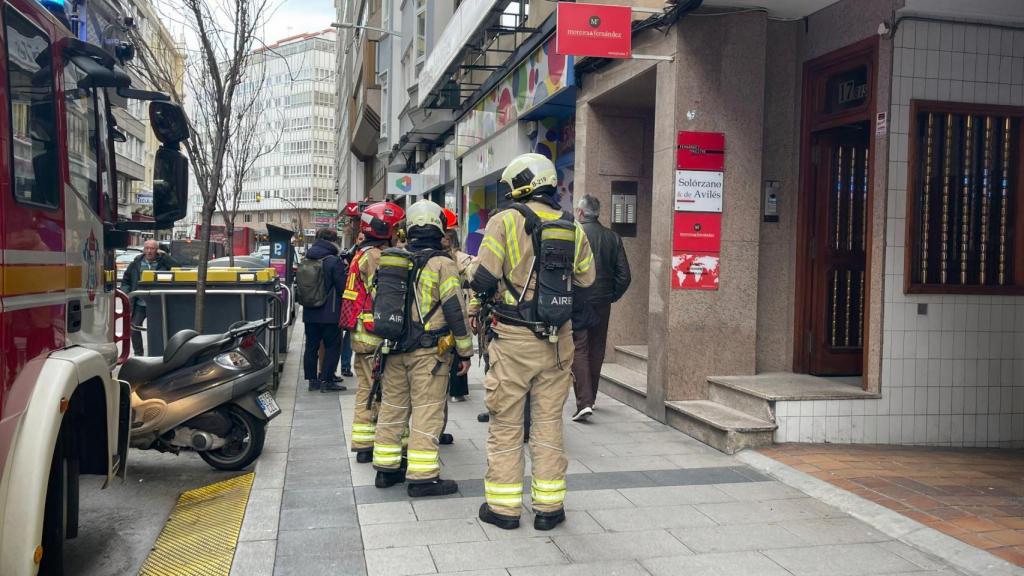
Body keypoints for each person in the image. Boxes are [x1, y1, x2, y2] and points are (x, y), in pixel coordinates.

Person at [470, 153, 595, 531]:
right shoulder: (572, 226)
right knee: (548, 423)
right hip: (558, 341)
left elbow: (484, 278)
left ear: (520, 184)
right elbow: (587, 280)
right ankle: (550, 508)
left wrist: (468, 268)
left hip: (513, 339)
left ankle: (505, 510)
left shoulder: (504, 221)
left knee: (507, 423)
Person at [372, 200, 474, 497]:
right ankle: (422, 477)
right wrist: (465, 352)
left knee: (392, 409)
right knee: (427, 412)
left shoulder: (394, 261)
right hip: (428, 354)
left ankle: (386, 470)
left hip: (393, 348)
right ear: (439, 227)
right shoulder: (443, 264)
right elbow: (455, 310)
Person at [345, 202, 405, 464]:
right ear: (385, 229)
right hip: (373, 336)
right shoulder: (375, 257)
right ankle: (388, 448)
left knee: (365, 389)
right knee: (382, 391)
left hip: (360, 335)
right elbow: (384, 295)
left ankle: (364, 443)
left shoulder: (361, 253)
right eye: (395, 228)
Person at [571, 195, 632, 421]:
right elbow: (625, 276)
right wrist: (611, 295)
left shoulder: (575, 234)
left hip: (578, 299)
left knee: (580, 347)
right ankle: (591, 399)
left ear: (580, 213)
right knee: (597, 349)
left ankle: (584, 401)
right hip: (602, 302)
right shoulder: (612, 237)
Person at [301, 228, 347, 393]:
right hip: (330, 313)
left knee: (311, 346)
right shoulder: (333, 261)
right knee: (333, 346)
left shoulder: (307, 257)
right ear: (333, 241)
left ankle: (312, 380)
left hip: (310, 312)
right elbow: (343, 287)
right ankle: (327, 380)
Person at [122, 239, 178, 356]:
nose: (149, 251)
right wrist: (127, 293)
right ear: (143, 250)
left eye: (152, 248)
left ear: (157, 250)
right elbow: (126, 281)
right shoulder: (135, 264)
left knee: (159, 329)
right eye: (147, 248)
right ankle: (139, 354)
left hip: (158, 303)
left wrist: (166, 257)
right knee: (133, 328)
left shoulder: (164, 263)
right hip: (140, 303)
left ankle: (160, 354)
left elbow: (178, 268)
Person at [441, 215, 473, 403]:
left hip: (455, 304)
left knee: (456, 345)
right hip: (447, 305)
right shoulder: (443, 257)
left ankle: (457, 388)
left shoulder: (460, 258)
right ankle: (451, 387)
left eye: (447, 238)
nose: (444, 240)